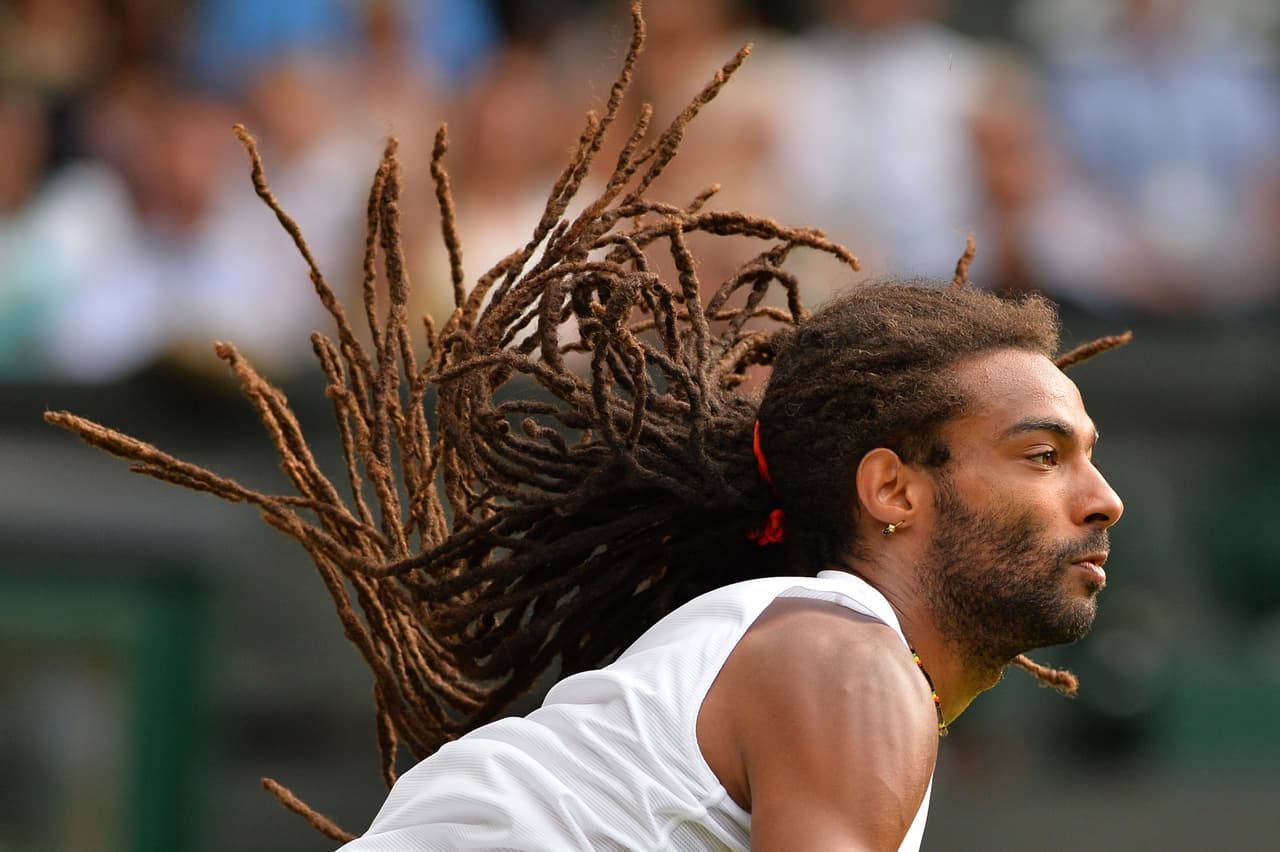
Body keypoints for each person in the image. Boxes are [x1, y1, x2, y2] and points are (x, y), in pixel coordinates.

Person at [45, 4, 1128, 849]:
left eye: (1086, 456)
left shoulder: (815, 661)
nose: (1103, 498)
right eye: (1041, 455)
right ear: (892, 489)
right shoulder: (846, 664)